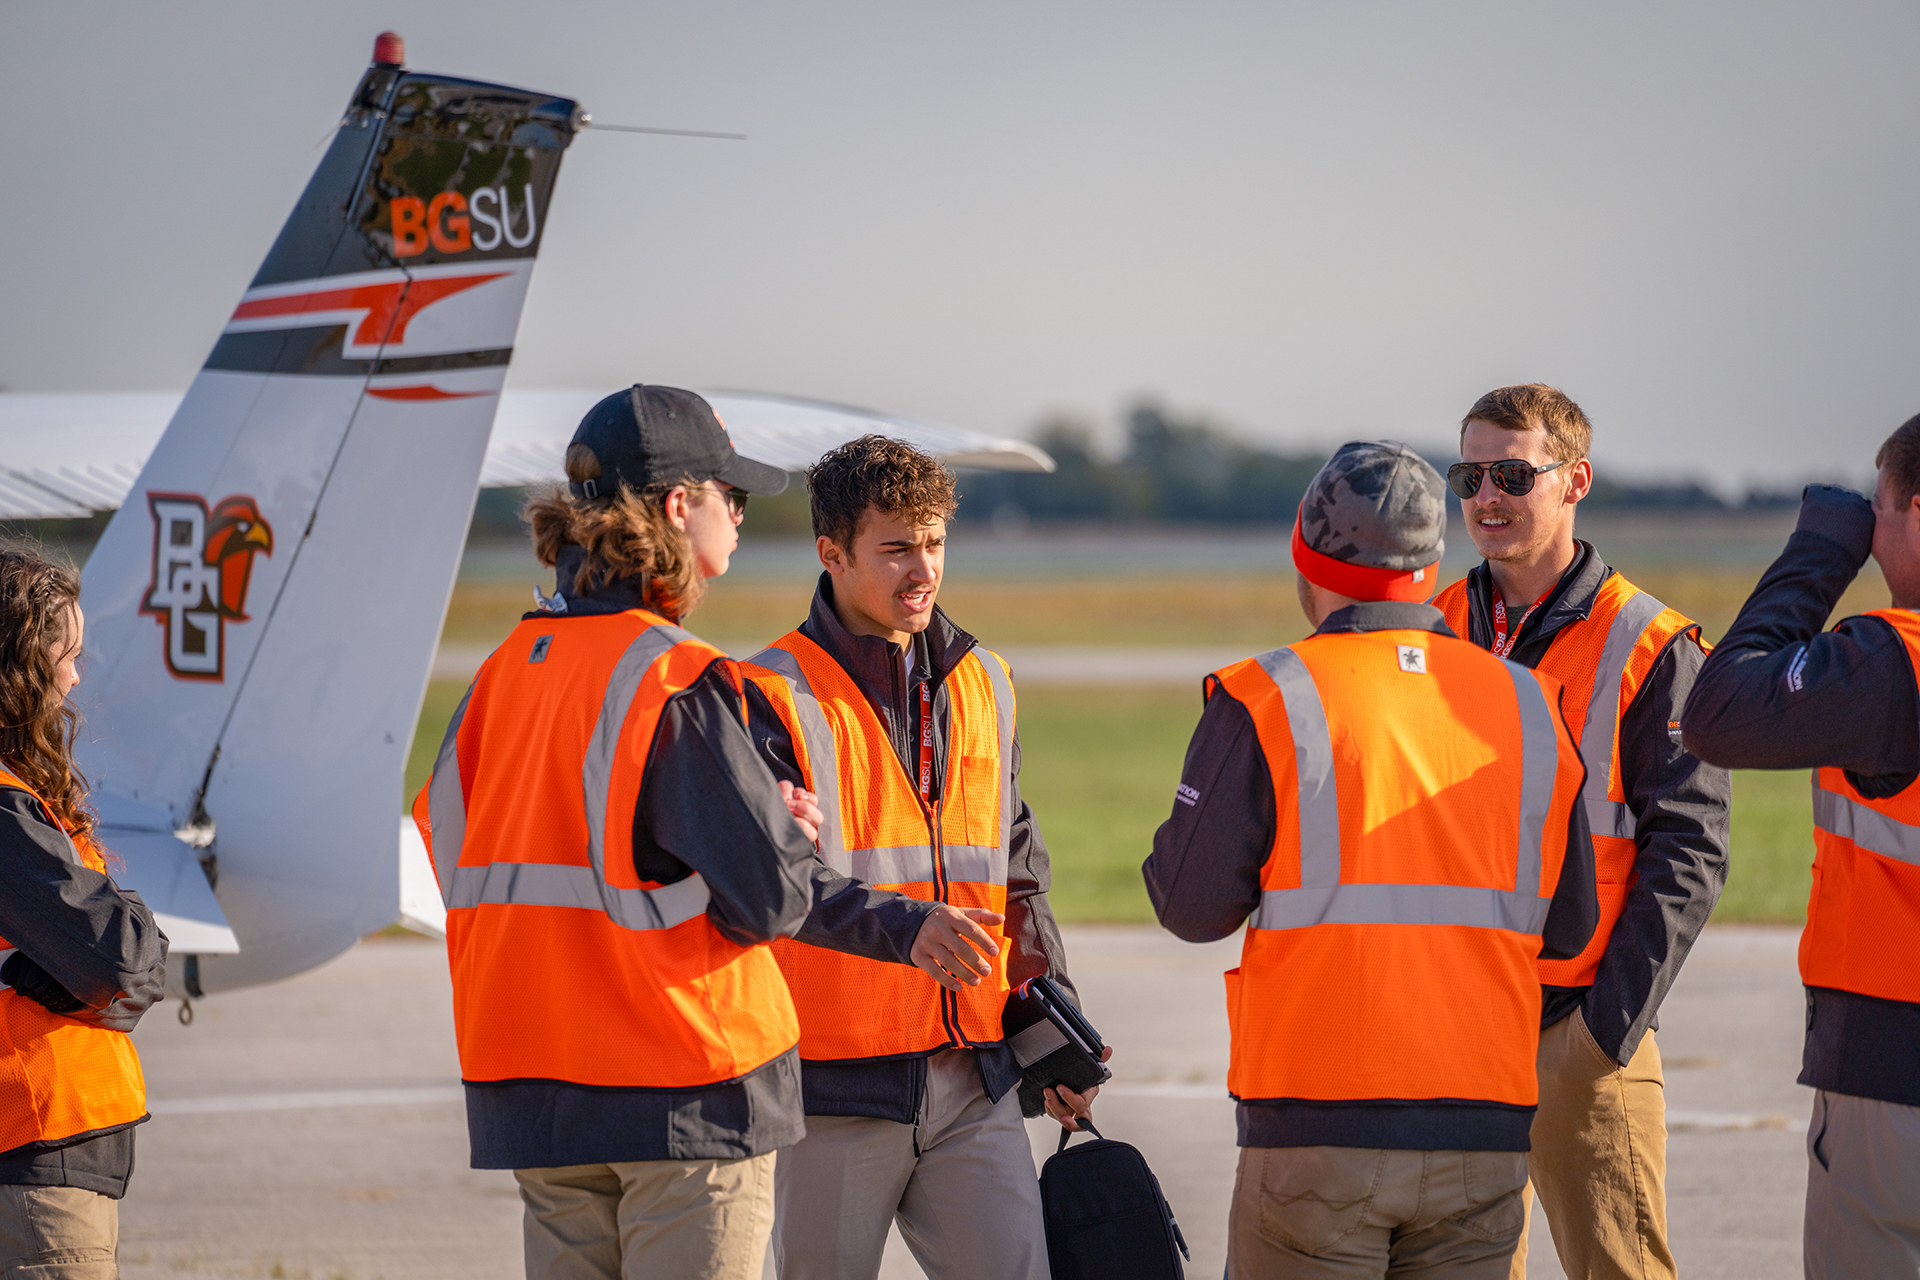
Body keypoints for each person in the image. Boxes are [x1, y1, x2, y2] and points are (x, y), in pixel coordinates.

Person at [412, 389, 986, 1280]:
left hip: (531, 1087)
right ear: (681, 507)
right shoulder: (679, 677)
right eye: (734, 496)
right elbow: (772, 899)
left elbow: (449, 844)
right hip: (681, 1085)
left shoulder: (502, 674)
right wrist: (770, 826)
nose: (742, 517)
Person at [1144, 441, 1598, 1278]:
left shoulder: (1269, 694)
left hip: (1319, 1122)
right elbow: (1570, 931)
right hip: (1484, 1125)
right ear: (1431, 567)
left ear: (1304, 556)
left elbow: (1190, 908)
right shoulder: (1533, 704)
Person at [741, 435, 1094, 1280]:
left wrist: (1052, 1030)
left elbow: (1016, 875)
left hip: (975, 1079)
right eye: (896, 548)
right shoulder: (767, 693)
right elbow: (772, 885)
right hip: (833, 1088)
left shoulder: (988, 682)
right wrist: (906, 928)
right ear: (832, 553)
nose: (922, 568)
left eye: (934, 543)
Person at [1431, 384, 1729, 1280]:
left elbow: (1692, 851)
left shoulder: (1651, 644)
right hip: (1455, 1029)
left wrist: (1605, 1035)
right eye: (1471, 474)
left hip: (1579, 1033)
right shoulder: (1434, 627)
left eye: (1513, 474)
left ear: (1575, 481)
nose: (1486, 496)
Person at [1680, 414, 1920, 1278]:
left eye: (1880, 513)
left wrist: (1819, 552)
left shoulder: (1895, 661)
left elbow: (1717, 713)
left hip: (1897, 1068)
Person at [0, 548, 168, 1278]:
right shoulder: (8, 809)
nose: (76, 676)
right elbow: (123, 957)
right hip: (35, 1142)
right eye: (64, 655)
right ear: (21, 670)